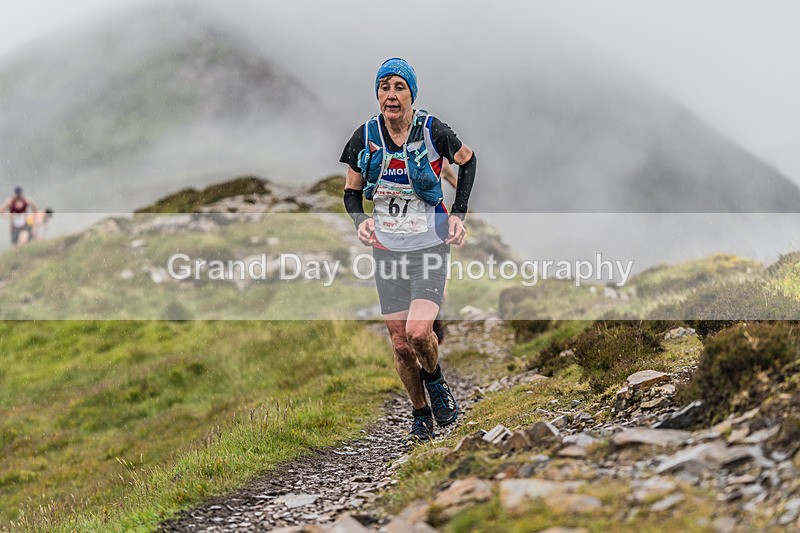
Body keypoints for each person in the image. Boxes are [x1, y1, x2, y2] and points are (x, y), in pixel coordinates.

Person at [340, 58, 477, 443]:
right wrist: (360, 220)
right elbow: (351, 194)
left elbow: (468, 161)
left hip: (429, 246)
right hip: (387, 251)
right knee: (400, 344)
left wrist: (458, 215)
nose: (391, 95)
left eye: (399, 87)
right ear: (377, 94)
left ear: (411, 94)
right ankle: (420, 413)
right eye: (384, 87)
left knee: (419, 333)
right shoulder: (364, 137)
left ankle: (435, 380)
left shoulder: (433, 130)